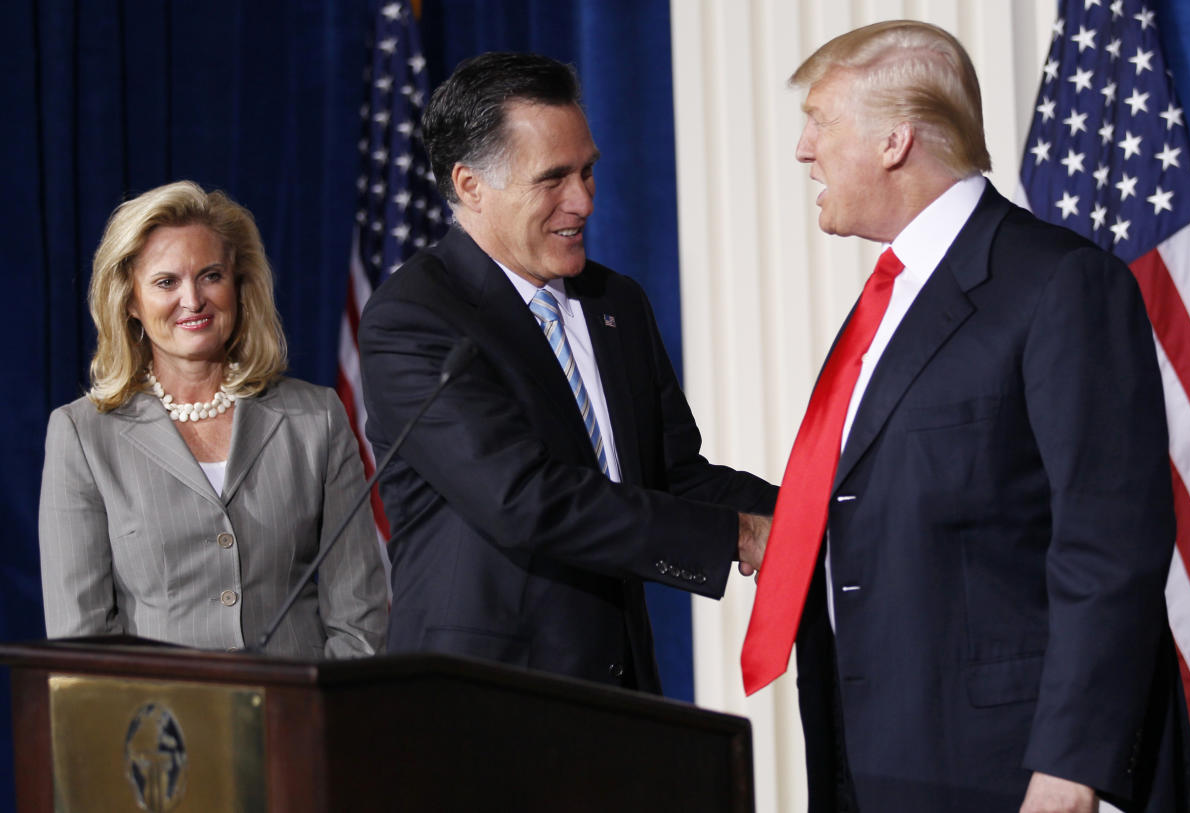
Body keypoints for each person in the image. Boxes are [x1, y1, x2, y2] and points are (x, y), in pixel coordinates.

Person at [740, 20, 1190, 813]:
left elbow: (1110, 545)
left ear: (895, 140)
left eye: (820, 120)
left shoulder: (1059, 285)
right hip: (876, 764)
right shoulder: (887, 303)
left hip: (1013, 772)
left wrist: (1070, 767)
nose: (803, 149)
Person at [358, 51, 777, 693]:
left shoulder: (617, 303)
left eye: (587, 172)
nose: (581, 201)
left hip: (619, 685)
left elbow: (670, 476)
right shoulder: (414, 318)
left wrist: (803, 516)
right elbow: (524, 497)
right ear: (471, 185)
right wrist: (738, 535)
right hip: (486, 698)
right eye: (552, 179)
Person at [39, 181, 387, 659]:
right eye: (166, 283)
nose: (193, 300)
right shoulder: (82, 436)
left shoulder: (316, 418)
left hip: (297, 719)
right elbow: (81, 643)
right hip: (158, 727)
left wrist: (313, 724)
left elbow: (359, 621)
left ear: (239, 286)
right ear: (131, 302)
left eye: (210, 276)